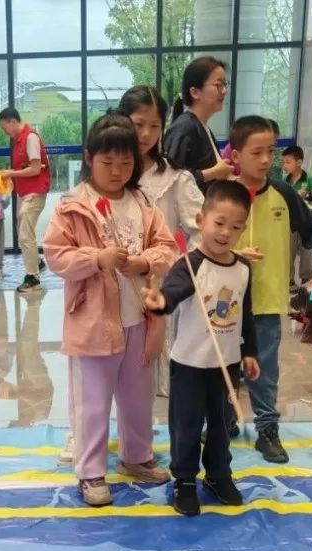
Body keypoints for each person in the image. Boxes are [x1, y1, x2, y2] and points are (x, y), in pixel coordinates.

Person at [43, 112, 179, 507]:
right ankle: (90, 472)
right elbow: (55, 256)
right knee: (93, 402)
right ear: (89, 158)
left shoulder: (143, 203)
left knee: (138, 398)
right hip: (94, 323)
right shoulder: (73, 206)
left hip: (140, 320)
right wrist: (96, 258)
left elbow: (167, 247)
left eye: (125, 162)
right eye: (107, 162)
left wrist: (144, 262)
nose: (117, 171)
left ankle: (136, 456)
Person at [142, 180, 261, 516]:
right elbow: (172, 292)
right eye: (219, 223)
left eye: (235, 227)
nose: (225, 233)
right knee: (187, 426)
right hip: (190, 365)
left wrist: (249, 352)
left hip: (227, 365)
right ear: (200, 220)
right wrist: (160, 302)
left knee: (222, 426)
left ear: (243, 230)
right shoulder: (189, 265)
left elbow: (245, 313)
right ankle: (184, 480)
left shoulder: (243, 268)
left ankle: (218, 475)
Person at [229, 115, 312, 462]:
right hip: (224, 302)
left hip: (265, 300)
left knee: (264, 368)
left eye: (271, 152)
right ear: (236, 155)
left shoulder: (284, 194)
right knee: (223, 366)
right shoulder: (222, 194)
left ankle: (267, 429)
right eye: (256, 152)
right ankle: (224, 420)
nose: (266, 160)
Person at [118, 85, 204, 400]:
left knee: (157, 372)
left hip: (161, 286)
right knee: (117, 374)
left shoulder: (175, 177)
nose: (146, 134)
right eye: (138, 124)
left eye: (155, 125)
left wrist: (183, 272)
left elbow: (201, 230)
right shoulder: (111, 174)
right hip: (117, 285)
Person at [0, 107, 51, 292]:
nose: (5, 131)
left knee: (25, 235)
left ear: (13, 121)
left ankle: (33, 278)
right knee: (22, 230)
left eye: (4, 127)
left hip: (35, 192)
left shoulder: (30, 138)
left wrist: (11, 173)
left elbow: (35, 169)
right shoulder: (19, 140)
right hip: (25, 192)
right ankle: (37, 262)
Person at [163, 56, 234, 192]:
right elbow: (169, 179)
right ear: (195, 92)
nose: (224, 90)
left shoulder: (201, 127)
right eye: (218, 85)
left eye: (225, 84)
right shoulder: (185, 128)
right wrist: (213, 172)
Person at [281, 145, 312, 289]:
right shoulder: (285, 181)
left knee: (306, 250)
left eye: (288, 162)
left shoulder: (310, 179)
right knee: (288, 250)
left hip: (307, 220)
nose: (284, 166)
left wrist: (306, 195)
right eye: (283, 162)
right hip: (290, 221)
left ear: (299, 162)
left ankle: (306, 279)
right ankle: (289, 280)